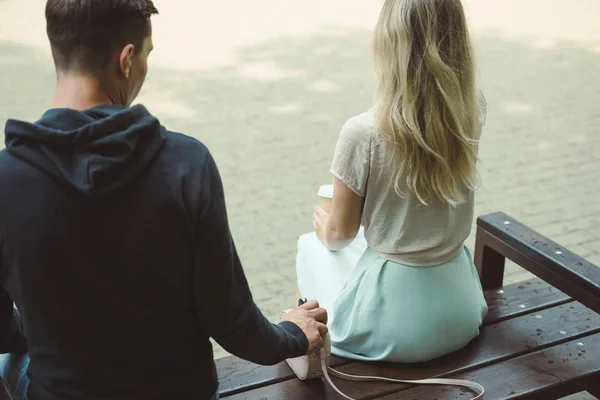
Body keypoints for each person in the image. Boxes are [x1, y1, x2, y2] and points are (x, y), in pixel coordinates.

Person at [0, 1, 328, 399]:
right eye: (147, 55)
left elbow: (2, 330)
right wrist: (294, 333)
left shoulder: (7, 179)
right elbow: (236, 329)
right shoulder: (186, 164)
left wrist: (38, 331)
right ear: (126, 59)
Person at [296, 0, 488, 363]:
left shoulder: (363, 132)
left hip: (392, 329)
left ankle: (309, 361)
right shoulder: (472, 108)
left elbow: (341, 236)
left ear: (388, 43)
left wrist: (325, 230)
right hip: (461, 310)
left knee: (312, 246)